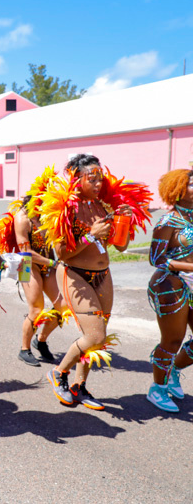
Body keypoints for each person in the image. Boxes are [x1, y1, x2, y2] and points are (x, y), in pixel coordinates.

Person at [42, 154, 150, 410]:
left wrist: (124, 220)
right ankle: (59, 373)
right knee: (95, 334)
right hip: (74, 274)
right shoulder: (64, 208)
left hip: (103, 275)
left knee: (96, 339)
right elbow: (62, 254)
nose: (99, 183)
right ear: (77, 178)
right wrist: (90, 236)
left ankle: (80, 385)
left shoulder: (103, 206)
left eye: (101, 178)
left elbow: (121, 247)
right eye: (93, 178)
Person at [0, 167, 68, 366]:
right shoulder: (23, 218)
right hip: (27, 264)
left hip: (47, 261)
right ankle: (24, 349)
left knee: (64, 308)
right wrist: (53, 263)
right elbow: (26, 253)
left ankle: (41, 340)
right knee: (36, 309)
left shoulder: (49, 213)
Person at [146, 169, 193, 412]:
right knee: (172, 340)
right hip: (171, 284)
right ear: (178, 190)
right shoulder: (168, 221)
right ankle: (158, 389)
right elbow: (156, 259)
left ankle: (172, 371)